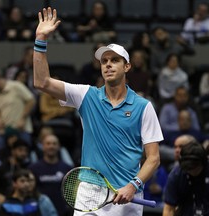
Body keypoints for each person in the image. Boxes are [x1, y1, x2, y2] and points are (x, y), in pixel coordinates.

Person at [32, 7, 163, 216]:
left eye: (114, 60)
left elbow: (153, 158)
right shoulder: (86, 95)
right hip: (89, 191)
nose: (108, 65)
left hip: (127, 193)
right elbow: (42, 82)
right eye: (104, 61)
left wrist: (133, 185)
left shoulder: (143, 107)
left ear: (127, 66)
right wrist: (40, 39)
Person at [0, 69, 36, 146]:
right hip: (5, 131)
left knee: (24, 150)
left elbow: (31, 101)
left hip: (21, 129)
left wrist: (23, 118)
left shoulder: (16, 86)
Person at [29, 133, 73, 216]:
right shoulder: (33, 169)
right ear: (42, 146)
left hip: (64, 212)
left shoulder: (67, 168)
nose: (51, 146)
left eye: (54, 144)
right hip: (40, 211)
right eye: (48, 143)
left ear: (59, 146)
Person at [162, 140, 209, 216]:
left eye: (195, 168)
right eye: (188, 169)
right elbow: (169, 209)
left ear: (203, 163)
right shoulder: (176, 174)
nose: (191, 171)